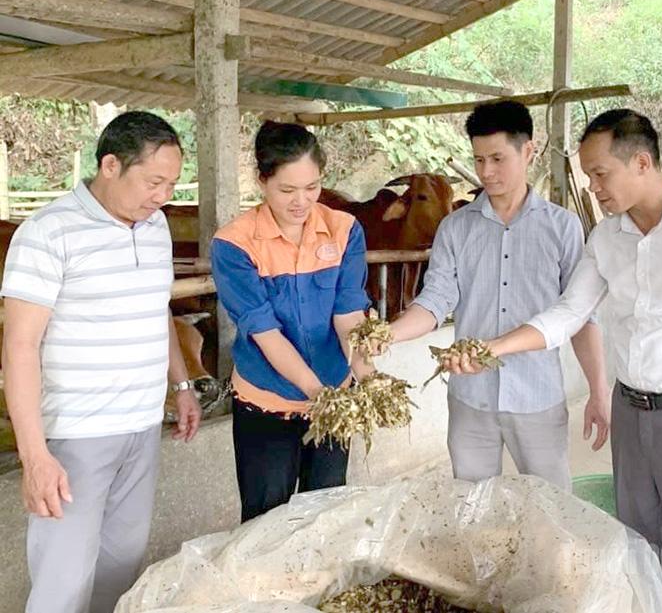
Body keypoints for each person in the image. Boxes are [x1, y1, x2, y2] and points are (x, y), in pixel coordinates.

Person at [446, 109, 662, 613]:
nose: (594, 188)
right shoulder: (606, 239)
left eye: (600, 174)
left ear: (642, 162)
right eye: (589, 177)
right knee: (643, 549)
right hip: (631, 412)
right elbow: (568, 313)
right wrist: (492, 348)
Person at [1, 110, 202, 613]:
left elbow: (156, 309)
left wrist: (181, 386)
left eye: (172, 183)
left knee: (121, 570)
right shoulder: (48, 233)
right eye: (154, 181)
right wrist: (36, 457)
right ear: (110, 165)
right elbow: (19, 347)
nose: (164, 196)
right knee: (62, 582)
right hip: (76, 437)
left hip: (141, 426)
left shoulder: (154, 227)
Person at [370, 100, 611, 487]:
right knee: (471, 505)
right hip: (471, 398)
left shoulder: (562, 228)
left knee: (552, 506)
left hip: (538, 397)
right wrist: (389, 335)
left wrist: (599, 392)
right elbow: (435, 301)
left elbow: (581, 315)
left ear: (528, 151)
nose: (486, 171)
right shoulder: (454, 229)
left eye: (497, 158)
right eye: (479, 159)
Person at [211, 121, 372, 523]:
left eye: (312, 187)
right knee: (266, 518)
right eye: (287, 190)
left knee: (326, 514)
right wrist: (318, 394)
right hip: (269, 401)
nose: (302, 201)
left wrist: (365, 372)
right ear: (261, 180)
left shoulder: (344, 229)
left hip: (334, 393)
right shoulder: (234, 244)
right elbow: (264, 332)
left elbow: (348, 311)